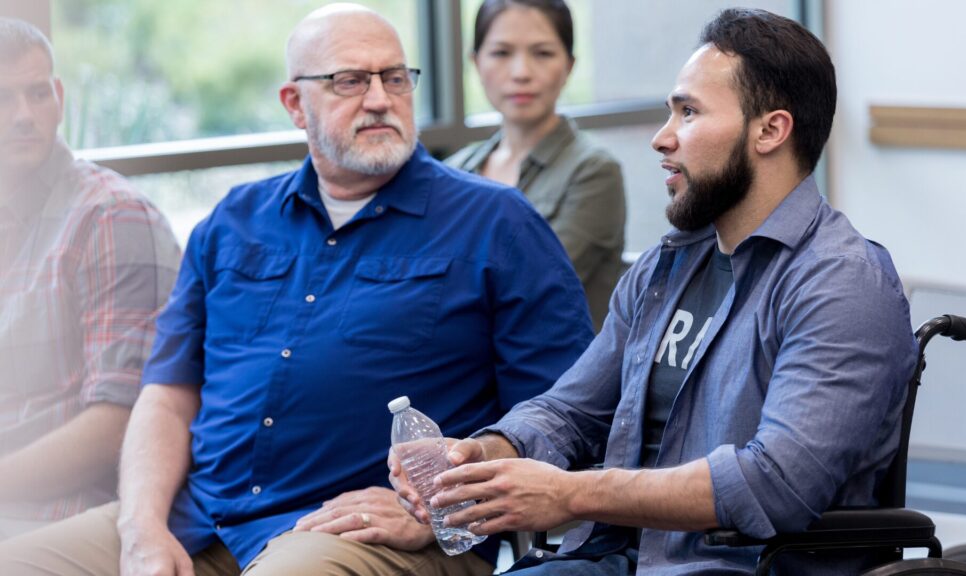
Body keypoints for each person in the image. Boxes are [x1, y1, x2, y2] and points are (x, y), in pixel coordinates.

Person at [0, 3, 593, 575]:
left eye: (395, 78)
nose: (381, 99)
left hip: (359, 531)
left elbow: (568, 412)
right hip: (199, 519)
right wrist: (141, 527)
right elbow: (167, 393)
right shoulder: (233, 221)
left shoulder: (497, 224)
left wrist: (440, 509)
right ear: (294, 103)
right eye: (349, 81)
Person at [393, 8, 917, 575]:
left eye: (688, 113)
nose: (661, 139)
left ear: (770, 130)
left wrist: (571, 494)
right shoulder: (665, 268)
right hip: (618, 559)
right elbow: (571, 411)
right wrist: (489, 453)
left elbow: (776, 483)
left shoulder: (842, 282)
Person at [0, 18, 180, 538]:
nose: (23, 116)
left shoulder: (112, 218)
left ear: (58, 96)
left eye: (37, 94)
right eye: (4, 98)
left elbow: (120, 425)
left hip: (62, 513)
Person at [446, 0, 626, 329]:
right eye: (501, 53)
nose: (521, 73)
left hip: (559, 372)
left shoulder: (595, 171)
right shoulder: (455, 170)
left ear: (569, 66)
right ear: (475, 62)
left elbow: (528, 287)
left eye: (542, 53)